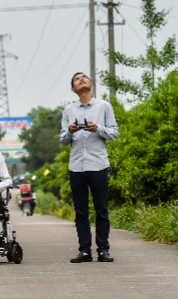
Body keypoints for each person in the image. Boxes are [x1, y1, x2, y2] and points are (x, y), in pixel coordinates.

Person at [60, 72, 119, 263]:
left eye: (84, 78)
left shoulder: (104, 106)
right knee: (81, 211)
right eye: (77, 79)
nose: (81, 80)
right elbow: (63, 140)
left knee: (101, 209)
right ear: (73, 89)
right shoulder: (69, 110)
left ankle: (103, 250)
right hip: (77, 166)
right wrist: (70, 130)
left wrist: (98, 129)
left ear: (91, 84)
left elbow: (115, 133)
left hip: (98, 164)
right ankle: (85, 251)